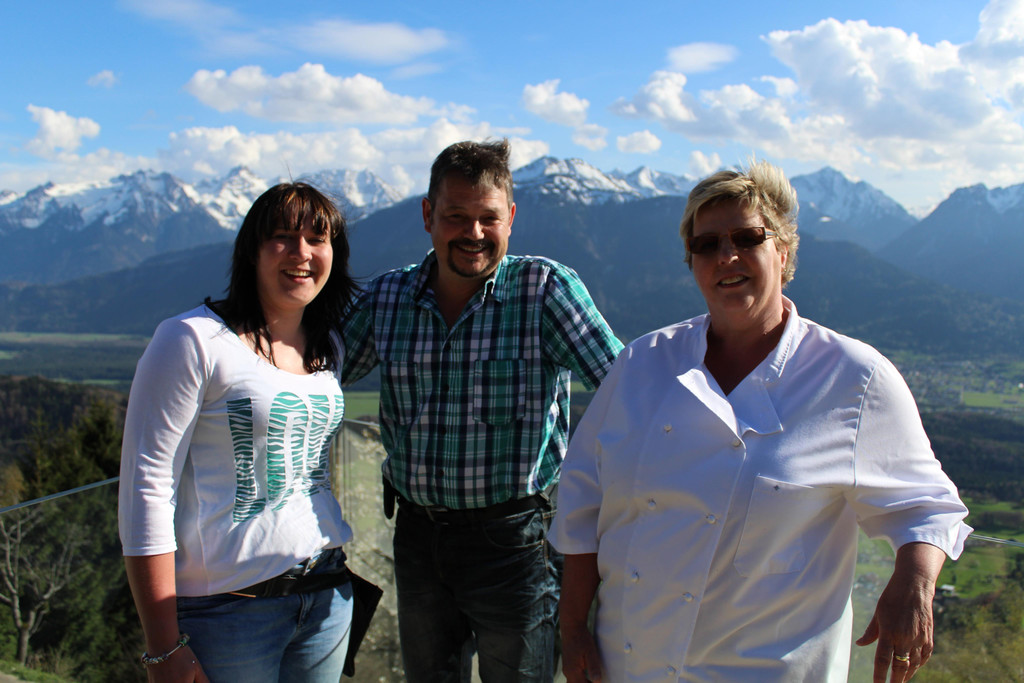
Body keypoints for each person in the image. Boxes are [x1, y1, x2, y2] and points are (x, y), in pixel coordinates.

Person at [552, 160, 972, 683]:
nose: (726, 256)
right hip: (629, 663)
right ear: (691, 262)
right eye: (706, 245)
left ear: (784, 251)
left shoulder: (854, 378)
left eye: (747, 238)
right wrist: (572, 628)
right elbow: (583, 503)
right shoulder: (642, 363)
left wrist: (914, 585)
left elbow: (926, 505)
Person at [340, 138, 623, 682]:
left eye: (488, 218)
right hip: (417, 537)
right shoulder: (387, 299)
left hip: (515, 543)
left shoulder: (544, 291)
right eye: (455, 216)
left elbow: (625, 389)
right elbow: (311, 375)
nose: (473, 232)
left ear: (510, 218)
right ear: (428, 215)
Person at [119, 182, 359, 683]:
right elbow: (147, 489)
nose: (301, 253)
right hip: (228, 610)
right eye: (282, 237)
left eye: (317, 239)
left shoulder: (328, 344)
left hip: (326, 593)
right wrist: (162, 645)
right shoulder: (192, 340)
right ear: (252, 251)